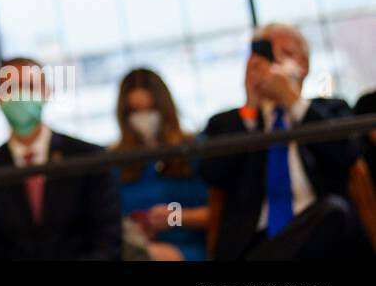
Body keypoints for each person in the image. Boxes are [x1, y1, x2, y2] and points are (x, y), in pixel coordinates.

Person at [200, 23, 361, 260]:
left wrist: (292, 101)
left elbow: (347, 154)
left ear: (304, 65)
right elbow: (212, 174)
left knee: (333, 211)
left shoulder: (331, 109)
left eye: (285, 54)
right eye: (265, 57)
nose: (273, 65)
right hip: (255, 240)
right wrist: (251, 110)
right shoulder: (229, 122)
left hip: (323, 233)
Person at [0, 57, 121, 260]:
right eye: (10, 89)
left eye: (30, 86)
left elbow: (108, 243)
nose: (20, 97)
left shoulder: (90, 159)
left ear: (47, 91)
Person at [112, 68, 209, 260]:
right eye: (135, 112)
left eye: (150, 110)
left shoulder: (193, 149)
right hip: (136, 249)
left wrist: (175, 217)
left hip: (189, 248)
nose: (143, 118)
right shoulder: (116, 161)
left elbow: (220, 211)